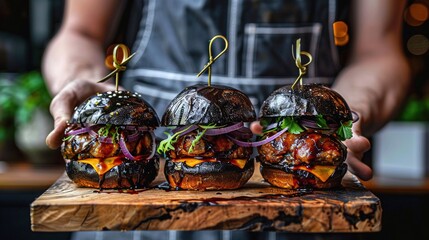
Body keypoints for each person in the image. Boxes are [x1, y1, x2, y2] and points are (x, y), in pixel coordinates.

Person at [42, 0, 410, 239]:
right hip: (138, 201)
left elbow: (379, 52)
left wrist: (350, 109)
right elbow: (79, 33)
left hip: (303, 207)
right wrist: (90, 88)